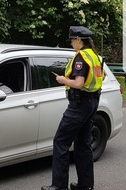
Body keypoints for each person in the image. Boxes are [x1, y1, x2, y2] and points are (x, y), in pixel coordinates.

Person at [41, 26, 104, 190]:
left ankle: (59, 186)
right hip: (92, 101)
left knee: (60, 142)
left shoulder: (81, 57)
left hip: (79, 104)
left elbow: (78, 83)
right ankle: (86, 185)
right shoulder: (94, 55)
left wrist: (62, 80)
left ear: (78, 39)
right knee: (83, 144)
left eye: (71, 40)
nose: (70, 43)